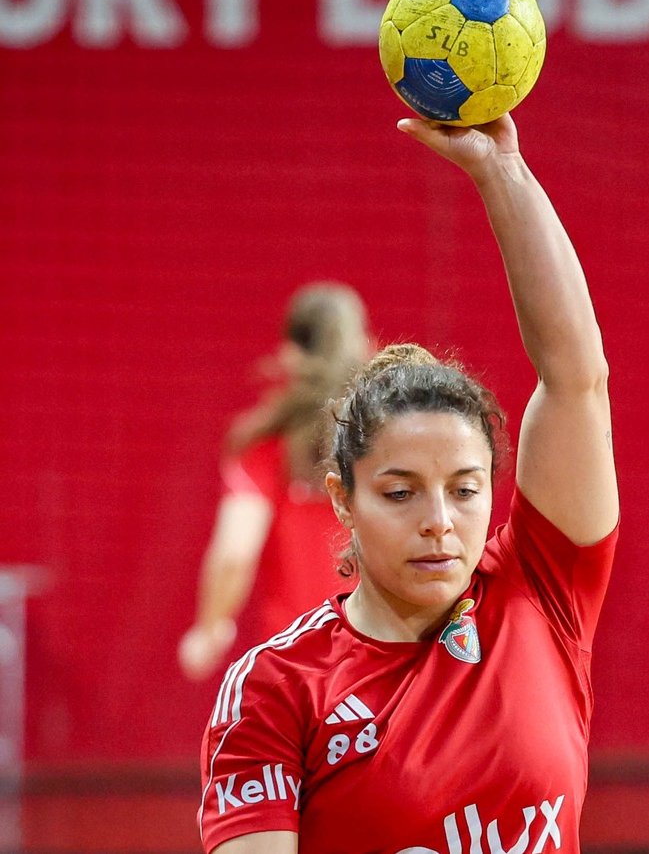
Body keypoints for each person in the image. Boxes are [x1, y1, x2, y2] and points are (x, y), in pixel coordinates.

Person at [197, 113, 619, 854]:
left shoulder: (540, 593)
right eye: (400, 492)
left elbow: (576, 379)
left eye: (465, 488)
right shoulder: (275, 688)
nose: (439, 520)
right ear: (343, 500)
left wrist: (502, 174)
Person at [178, 282, 370, 682]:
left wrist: (209, 629)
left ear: (292, 352)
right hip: (381, 654)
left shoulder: (266, 444)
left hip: (298, 662)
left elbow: (234, 552)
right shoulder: (380, 438)